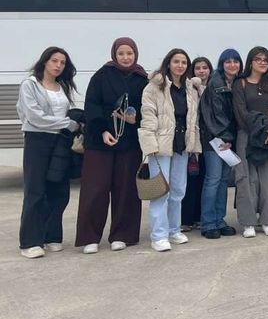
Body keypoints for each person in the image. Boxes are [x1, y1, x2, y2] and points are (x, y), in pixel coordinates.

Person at [75, 37, 148, 254]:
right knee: (95, 189)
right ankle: (90, 237)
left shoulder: (142, 79)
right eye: (121, 54)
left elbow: (149, 108)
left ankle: (122, 235)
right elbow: (92, 106)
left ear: (135, 54)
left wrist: (137, 119)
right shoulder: (102, 76)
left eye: (129, 54)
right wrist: (102, 131)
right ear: (114, 55)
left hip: (130, 143)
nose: (126, 58)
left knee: (126, 190)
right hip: (100, 141)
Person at [17, 47, 79, 258]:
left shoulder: (62, 87)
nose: (58, 65)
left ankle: (52, 235)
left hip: (60, 141)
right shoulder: (30, 85)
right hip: (37, 140)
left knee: (59, 190)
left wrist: (69, 124)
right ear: (44, 62)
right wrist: (67, 123)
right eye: (54, 61)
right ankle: (30, 242)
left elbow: (68, 112)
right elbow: (35, 117)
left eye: (62, 62)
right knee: (36, 190)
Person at [139, 49, 202, 252]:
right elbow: (148, 116)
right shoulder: (154, 87)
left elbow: (194, 119)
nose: (180, 65)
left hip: (182, 145)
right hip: (161, 145)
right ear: (168, 63)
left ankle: (174, 230)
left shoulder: (190, 88)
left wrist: (195, 144)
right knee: (161, 191)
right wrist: (149, 145)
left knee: (178, 190)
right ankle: (158, 235)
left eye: (184, 62)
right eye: (176, 61)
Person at [233, 47, 268, 237]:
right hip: (247, 136)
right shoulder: (241, 84)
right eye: (258, 59)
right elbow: (241, 113)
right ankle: (248, 222)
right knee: (247, 180)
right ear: (250, 62)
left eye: (265, 59)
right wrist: (261, 130)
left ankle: (267, 220)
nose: (263, 62)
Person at [198, 49, 242, 239]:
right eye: (228, 62)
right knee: (213, 180)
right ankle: (208, 223)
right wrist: (225, 138)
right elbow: (215, 116)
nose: (232, 65)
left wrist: (231, 139)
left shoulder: (237, 83)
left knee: (223, 181)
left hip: (228, 139)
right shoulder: (216, 83)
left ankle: (219, 220)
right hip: (215, 140)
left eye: (236, 62)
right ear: (221, 64)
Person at [180, 56, 212, 232]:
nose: (201, 71)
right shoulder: (188, 88)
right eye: (198, 68)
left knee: (204, 178)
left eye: (205, 67)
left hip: (209, 141)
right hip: (192, 139)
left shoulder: (213, 88)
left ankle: (200, 216)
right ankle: (186, 218)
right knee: (189, 179)